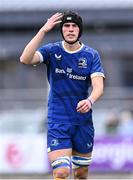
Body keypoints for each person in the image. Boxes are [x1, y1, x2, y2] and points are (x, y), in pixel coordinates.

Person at [20, 11, 105, 179]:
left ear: (80, 30)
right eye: (66, 26)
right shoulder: (52, 50)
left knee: (80, 174)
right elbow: (25, 58)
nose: (70, 29)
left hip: (83, 122)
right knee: (62, 171)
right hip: (58, 120)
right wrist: (43, 31)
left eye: (74, 26)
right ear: (62, 30)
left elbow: (98, 87)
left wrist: (90, 100)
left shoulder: (91, 55)